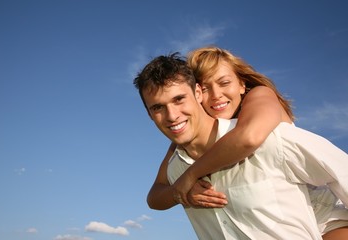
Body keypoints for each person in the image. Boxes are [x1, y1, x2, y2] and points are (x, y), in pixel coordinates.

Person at [133, 52, 348, 239]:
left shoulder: (270, 136)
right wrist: (181, 191)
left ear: (196, 94)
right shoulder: (176, 167)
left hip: (330, 219)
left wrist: (189, 178)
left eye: (179, 99)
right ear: (149, 114)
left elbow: (342, 170)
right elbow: (155, 199)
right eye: (158, 107)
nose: (172, 115)